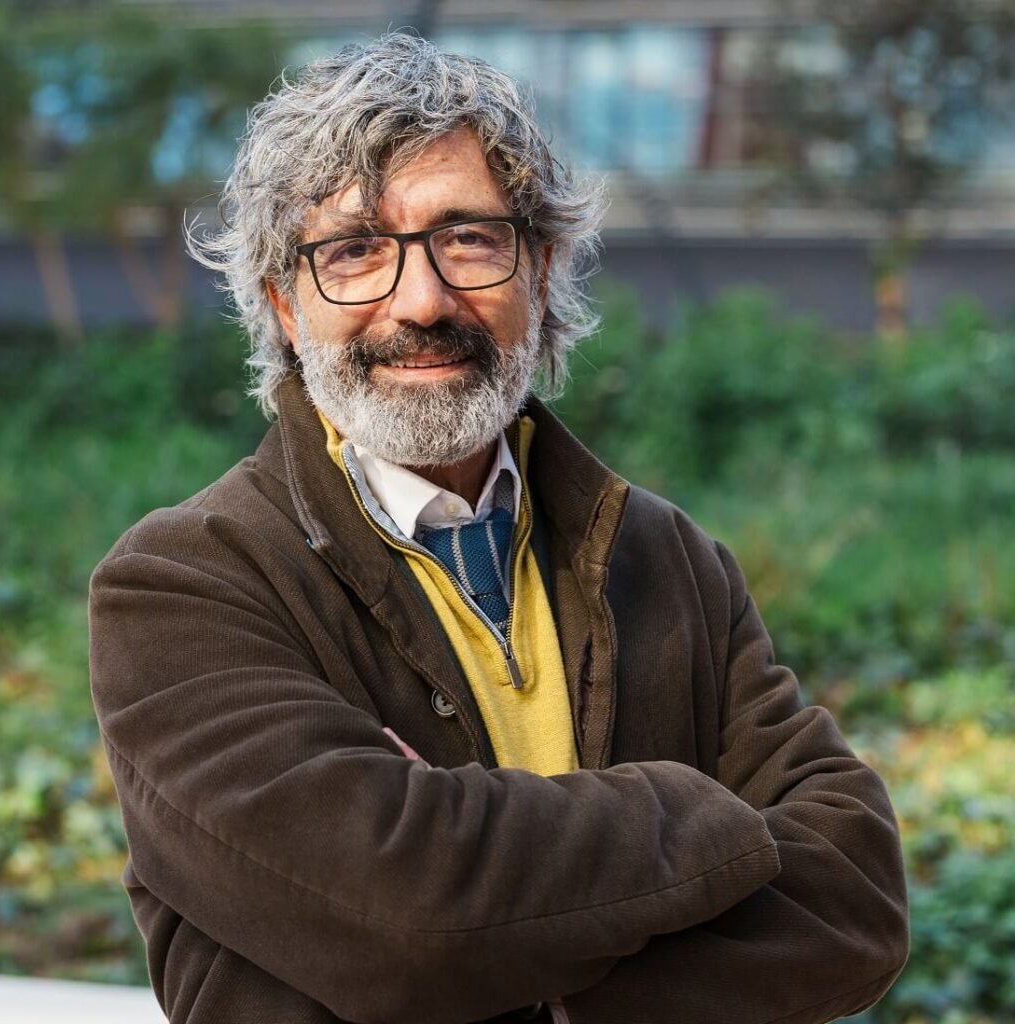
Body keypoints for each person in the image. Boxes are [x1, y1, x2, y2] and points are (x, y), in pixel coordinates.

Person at [88, 33, 908, 1024]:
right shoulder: (185, 586)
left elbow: (855, 903)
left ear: (541, 270)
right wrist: (701, 813)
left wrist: (496, 932)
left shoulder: (670, 562)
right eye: (353, 251)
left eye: (468, 238)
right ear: (285, 305)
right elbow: (409, 922)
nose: (422, 300)